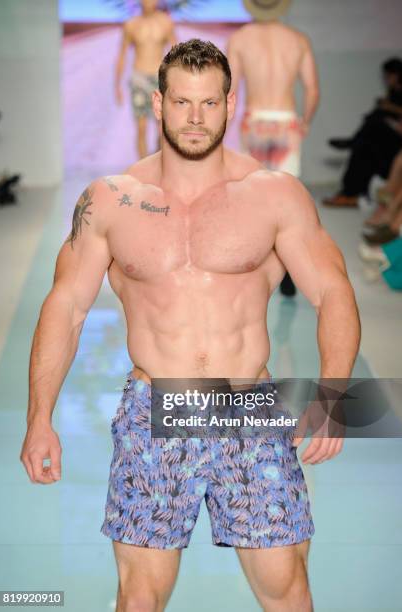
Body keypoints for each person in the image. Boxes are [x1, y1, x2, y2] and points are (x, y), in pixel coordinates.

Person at [20, 39, 360, 612]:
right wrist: (38, 418)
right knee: (139, 598)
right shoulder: (110, 201)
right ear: (157, 104)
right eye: (182, 103)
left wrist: (333, 392)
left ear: (231, 103)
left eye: (209, 102)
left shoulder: (274, 195)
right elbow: (66, 309)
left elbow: (332, 291)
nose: (196, 118)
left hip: (248, 408)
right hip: (154, 411)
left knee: (287, 591)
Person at [227, 0, 319, 296]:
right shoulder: (297, 40)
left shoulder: (240, 39)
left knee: (252, 196)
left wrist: (223, 128)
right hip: (286, 121)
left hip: (254, 122)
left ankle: (253, 269)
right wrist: (304, 121)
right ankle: (290, 269)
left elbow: (230, 90)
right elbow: (312, 88)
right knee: (288, 197)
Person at [324, 58, 402, 208]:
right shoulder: (393, 90)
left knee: (372, 130)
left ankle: (350, 193)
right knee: (364, 146)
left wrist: (390, 107)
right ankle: (349, 193)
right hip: (389, 136)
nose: (386, 79)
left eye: (388, 76)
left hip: (396, 140)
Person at [115, 0, 177, 159]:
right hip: (139, 79)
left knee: (163, 128)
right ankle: (143, 170)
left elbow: (176, 52)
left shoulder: (165, 22)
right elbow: (122, 55)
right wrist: (117, 86)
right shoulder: (131, 25)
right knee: (141, 128)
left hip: (159, 79)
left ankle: (157, 163)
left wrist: (178, 81)